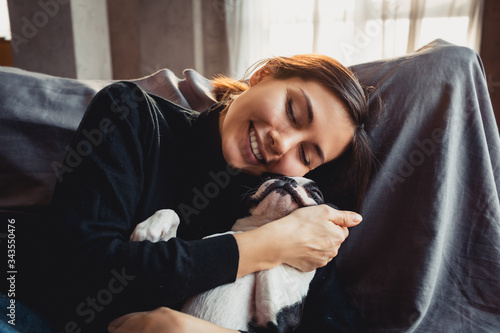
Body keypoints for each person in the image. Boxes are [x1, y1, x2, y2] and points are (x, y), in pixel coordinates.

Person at [36, 54, 371, 333]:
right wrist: (267, 246)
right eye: (293, 112)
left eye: (305, 155)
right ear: (262, 75)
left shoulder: (288, 208)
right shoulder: (132, 115)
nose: (281, 143)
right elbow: (80, 276)